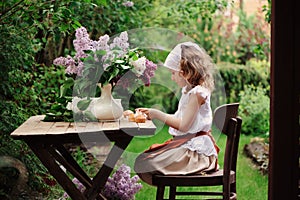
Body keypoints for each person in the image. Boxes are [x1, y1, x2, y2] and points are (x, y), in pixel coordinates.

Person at [134, 41, 220, 185]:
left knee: (144, 163)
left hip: (196, 156)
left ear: (185, 73)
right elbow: (181, 119)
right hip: (189, 149)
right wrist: (153, 113)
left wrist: (158, 114)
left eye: (173, 73)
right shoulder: (189, 92)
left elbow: (184, 126)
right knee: (143, 160)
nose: (172, 78)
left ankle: (167, 182)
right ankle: (166, 181)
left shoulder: (197, 94)